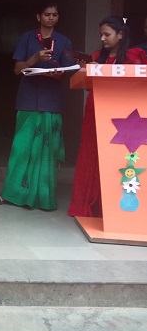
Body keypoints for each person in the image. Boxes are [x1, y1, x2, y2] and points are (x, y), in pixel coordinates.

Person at [0, 2, 74, 211]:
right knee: (22, 148)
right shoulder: (27, 38)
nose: (51, 18)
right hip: (28, 99)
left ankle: (44, 197)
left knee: (47, 151)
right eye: (47, 14)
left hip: (51, 100)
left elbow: (66, 72)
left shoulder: (64, 41)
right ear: (38, 16)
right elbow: (17, 69)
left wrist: (56, 73)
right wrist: (34, 58)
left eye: (55, 14)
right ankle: (12, 194)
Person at [68, 16, 147, 218]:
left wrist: (103, 71)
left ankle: (112, 209)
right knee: (91, 153)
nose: (102, 39)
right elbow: (88, 86)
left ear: (120, 35)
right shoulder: (96, 55)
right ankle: (86, 205)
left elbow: (140, 82)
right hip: (95, 109)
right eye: (101, 35)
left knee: (116, 157)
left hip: (123, 114)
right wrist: (87, 70)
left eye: (107, 34)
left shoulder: (135, 56)